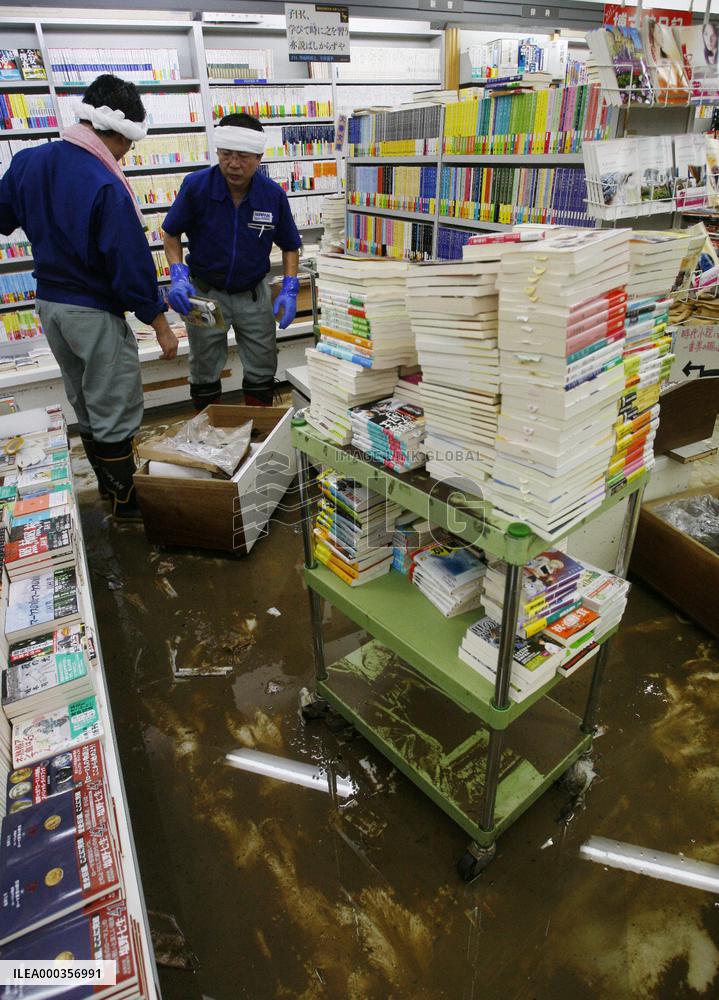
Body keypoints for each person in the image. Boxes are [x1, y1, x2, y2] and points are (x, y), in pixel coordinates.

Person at [0, 74, 178, 519]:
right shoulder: (105, 183)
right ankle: (127, 506)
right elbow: (129, 265)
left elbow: (3, 217)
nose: (127, 153)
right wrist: (160, 323)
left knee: (83, 397)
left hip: (49, 306)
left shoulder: (28, 161)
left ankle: (106, 489)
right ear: (119, 132)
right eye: (128, 144)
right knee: (113, 403)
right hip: (92, 311)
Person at [162, 112, 301, 409]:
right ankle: (207, 429)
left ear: (259, 157)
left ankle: (260, 427)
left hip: (253, 295)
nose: (233, 164)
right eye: (226, 154)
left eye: (243, 157)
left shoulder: (272, 195)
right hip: (205, 293)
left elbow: (290, 246)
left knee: (263, 363)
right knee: (204, 366)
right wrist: (178, 275)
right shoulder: (196, 186)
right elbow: (170, 233)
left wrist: (290, 288)